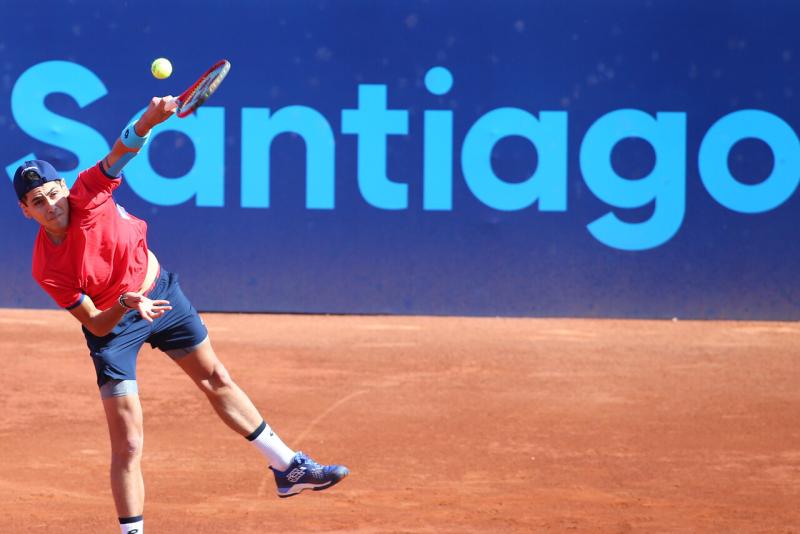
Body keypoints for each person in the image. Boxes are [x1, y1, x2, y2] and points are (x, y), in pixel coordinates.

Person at [13, 95, 348, 534]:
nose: (51, 204)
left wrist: (150, 118)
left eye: (53, 193)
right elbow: (95, 323)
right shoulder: (46, 267)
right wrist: (126, 303)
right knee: (129, 442)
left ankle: (289, 469)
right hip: (115, 328)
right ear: (26, 211)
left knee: (217, 379)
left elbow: (121, 151)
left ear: (65, 188)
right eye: (38, 201)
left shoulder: (89, 193)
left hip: (163, 297)